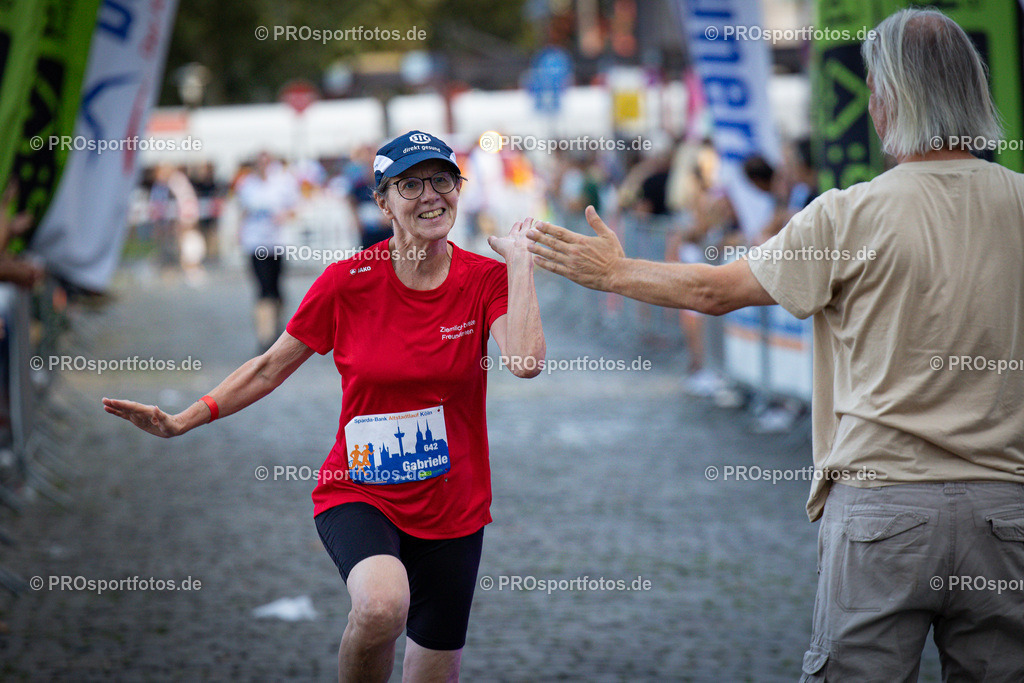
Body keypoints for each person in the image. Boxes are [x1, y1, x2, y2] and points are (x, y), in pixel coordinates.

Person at [526, 9, 1024, 681]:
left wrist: (615, 272)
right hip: (1007, 508)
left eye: (875, 90)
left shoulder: (849, 214)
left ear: (891, 100)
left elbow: (715, 291)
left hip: (884, 508)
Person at [103, 130, 545, 682]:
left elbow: (525, 361)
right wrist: (182, 420)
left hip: (454, 507)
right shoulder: (347, 282)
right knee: (382, 606)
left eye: (442, 180)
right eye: (411, 184)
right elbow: (270, 366)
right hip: (361, 492)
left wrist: (521, 266)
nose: (431, 195)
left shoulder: (483, 281)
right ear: (382, 201)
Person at [235, 152, 300, 353]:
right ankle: (266, 337)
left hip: (275, 243)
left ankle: (277, 327)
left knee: (276, 289)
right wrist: (238, 232)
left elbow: (295, 207)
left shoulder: (282, 182)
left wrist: (284, 215)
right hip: (255, 243)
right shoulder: (247, 184)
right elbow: (243, 210)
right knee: (263, 289)